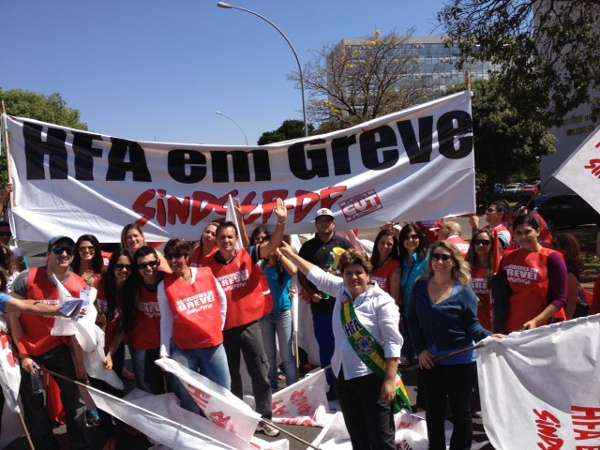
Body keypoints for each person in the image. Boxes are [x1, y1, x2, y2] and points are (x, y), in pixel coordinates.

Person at [280, 242, 405, 450]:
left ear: (368, 274)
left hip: (372, 377)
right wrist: (292, 255)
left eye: (359, 272)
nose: (354, 277)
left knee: (381, 439)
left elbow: (393, 342)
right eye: (348, 273)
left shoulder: (382, 302)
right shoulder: (342, 291)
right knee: (358, 436)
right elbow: (317, 276)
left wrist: (390, 380)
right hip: (344, 377)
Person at [206, 198, 288, 437]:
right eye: (222, 238)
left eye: (231, 237)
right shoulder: (207, 266)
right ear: (217, 241)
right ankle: (239, 419)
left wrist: (280, 222)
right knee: (232, 378)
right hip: (224, 330)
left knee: (259, 373)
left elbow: (272, 247)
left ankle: (265, 418)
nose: (227, 241)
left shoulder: (248, 254)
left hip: (250, 325)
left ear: (236, 239)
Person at [408, 241, 499, 450]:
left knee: (461, 414)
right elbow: (411, 320)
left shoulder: (464, 291)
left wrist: (491, 337)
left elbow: (473, 326)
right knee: (434, 414)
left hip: (461, 362)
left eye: (445, 257)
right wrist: (420, 349)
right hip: (430, 361)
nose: (439, 261)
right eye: (436, 257)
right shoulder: (420, 286)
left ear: (453, 262)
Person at [7, 236, 90, 450]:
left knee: (74, 400)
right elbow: (13, 316)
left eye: (69, 250)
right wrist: (24, 354)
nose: (64, 254)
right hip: (30, 350)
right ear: (49, 253)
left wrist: (80, 365)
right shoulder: (27, 278)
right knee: (36, 403)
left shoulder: (79, 285)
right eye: (59, 249)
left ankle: (79, 443)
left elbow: (80, 329)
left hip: (59, 349)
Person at [158, 238, 230, 413]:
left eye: (177, 256)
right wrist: (164, 349)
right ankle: (197, 433)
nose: (174, 261)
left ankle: (223, 433)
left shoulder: (206, 273)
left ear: (186, 256)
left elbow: (222, 300)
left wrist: (217, 327)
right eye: (169, 257)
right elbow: (166, 319)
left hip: (212, 345)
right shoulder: (164, 286)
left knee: (223, 391)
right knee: (189, 397)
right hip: (183, 349)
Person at [297, 208, 351, 397]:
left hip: (344, 306)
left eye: (328, 221)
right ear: (316, 224)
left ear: (333, 223)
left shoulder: (344, 244)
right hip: (321, 307)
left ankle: (347, 383)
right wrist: (311, 293)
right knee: (326, 346)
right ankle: (332, 386)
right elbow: (301, 274)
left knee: (345, 345)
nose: (324, 224)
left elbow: (354, 270)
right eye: (321, 221)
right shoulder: (308, 247)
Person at [493, 212, 567, 333]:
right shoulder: (507, 257)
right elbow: (501, 296)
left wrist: (536, 321)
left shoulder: (553, 258)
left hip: (544, 326)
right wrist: (499, 328)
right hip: (513, 326)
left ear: (537, 231)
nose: (523, 237)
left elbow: (560, 299)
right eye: (518, 233)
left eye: (527, 232)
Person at [124, 245, 164, 393]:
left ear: (158, 262)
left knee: (177, 389)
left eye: (152, 263)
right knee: (153, 390)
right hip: (147, 346)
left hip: (171, 344)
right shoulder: (133, 288)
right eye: (142, 265)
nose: (148, 268)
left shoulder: (168, 282)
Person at [260, 246, 298, 391]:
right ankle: (273, 389)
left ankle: (293, 389)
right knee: (269, 355)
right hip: (265, 315)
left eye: (272, 248)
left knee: (286, 354)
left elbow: (294, 270)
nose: (269, 252)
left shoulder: (283, 266)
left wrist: (280, 255)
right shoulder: (260, 266)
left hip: (283, 313)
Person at [97, 249, 135, 378]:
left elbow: (122, 329)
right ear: (112, 266)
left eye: (128, 267)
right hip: (93, 345)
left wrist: (109, 354)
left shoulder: (131, 292)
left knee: (115, 386)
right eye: (119, 266)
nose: (124, 270)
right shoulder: (99, 284)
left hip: (114, 345)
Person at [397, 223, 429, 365]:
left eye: (415, 237)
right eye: (407, 237)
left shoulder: (427, 259)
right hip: (406, 309)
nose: (411, 240)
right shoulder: (401, 261)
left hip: (423, 309)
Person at [470, 200, 511, 272]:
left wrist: (476, 228)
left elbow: (494, 247)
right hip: (481, 269)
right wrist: (474, 228)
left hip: (494, 270)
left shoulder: (504, 232)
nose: (486, 212)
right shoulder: (485, 228)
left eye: (490, 210)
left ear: (500, 214)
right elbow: (475, 246)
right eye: (487, 210)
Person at [466, 229, 494, 330]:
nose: (481, 245)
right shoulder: (465, 267)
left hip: (491, 322)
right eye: (477, 242)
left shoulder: (497, 268)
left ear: (492, 245)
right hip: (471, 322)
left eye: (485, 242)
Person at [554, 233, 586, 319]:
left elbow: (571, 302)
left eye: (554, 246)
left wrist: (564, 324)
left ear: (564, 250)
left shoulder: (568, 273)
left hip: (572, 319)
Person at [370, 228, 401, 304]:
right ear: (377, 243)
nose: (385, 246)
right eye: (382, 243)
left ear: (393, 247)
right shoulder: (370, 262)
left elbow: (394, 298)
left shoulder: (395, 266)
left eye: (389, 244)